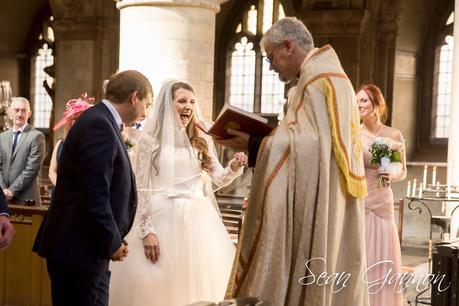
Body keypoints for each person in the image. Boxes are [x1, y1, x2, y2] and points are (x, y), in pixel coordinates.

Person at [220, 17, 369, 305]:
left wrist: (254, 143)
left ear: (288, 46)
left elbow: (308, 145)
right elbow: (315, 143)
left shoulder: (316, 82)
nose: (271, 66)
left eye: (270, 57)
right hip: (331, 200)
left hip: (318, 199)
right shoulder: (333, 77)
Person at [109, 80, 247, 306]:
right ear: (168, 105)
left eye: (192, 101)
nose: (188, 106)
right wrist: (146, 232)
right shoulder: (149, 140)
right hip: (161, 219)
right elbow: (140, 190)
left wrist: (234, 166)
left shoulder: (202, 139)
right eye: (181, 101)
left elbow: (219, 178)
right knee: (157, 289)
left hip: (199, 221)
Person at [34, 70, 153, 306]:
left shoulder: (101, 121)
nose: (146, 112)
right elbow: (93, 193)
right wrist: (112, 241)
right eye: (146, 104)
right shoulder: (98, 124)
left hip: (87, 248)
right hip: (77, 250)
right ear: (134, 97)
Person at [357, 84, 406, 306]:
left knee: (383, 255)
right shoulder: (353, 135)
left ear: (377, 103)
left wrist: (389, 174)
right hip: (360, 199)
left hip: (382, 200)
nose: (359, 105)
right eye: (357, 101)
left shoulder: (392, 134)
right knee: (361, 253)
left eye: (364, 100)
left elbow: (401, 171)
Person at [0, 97, 45, 205]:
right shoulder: (2, 137)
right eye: (16, 110)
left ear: (29, 114)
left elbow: (31, 169)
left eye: (23, 110)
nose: (19, 114)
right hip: (2, 199)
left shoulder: (37, 136)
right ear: (10, 113)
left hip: (26, 199)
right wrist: (3, 191)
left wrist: (11, 191)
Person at [48, 93, 93, 189]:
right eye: (75, 118)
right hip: (60, 192)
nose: (77, 122)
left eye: (81, 118)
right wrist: (61, 185)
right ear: (69, 121)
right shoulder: (60, 144)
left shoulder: (92, 144)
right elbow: (52, 171)